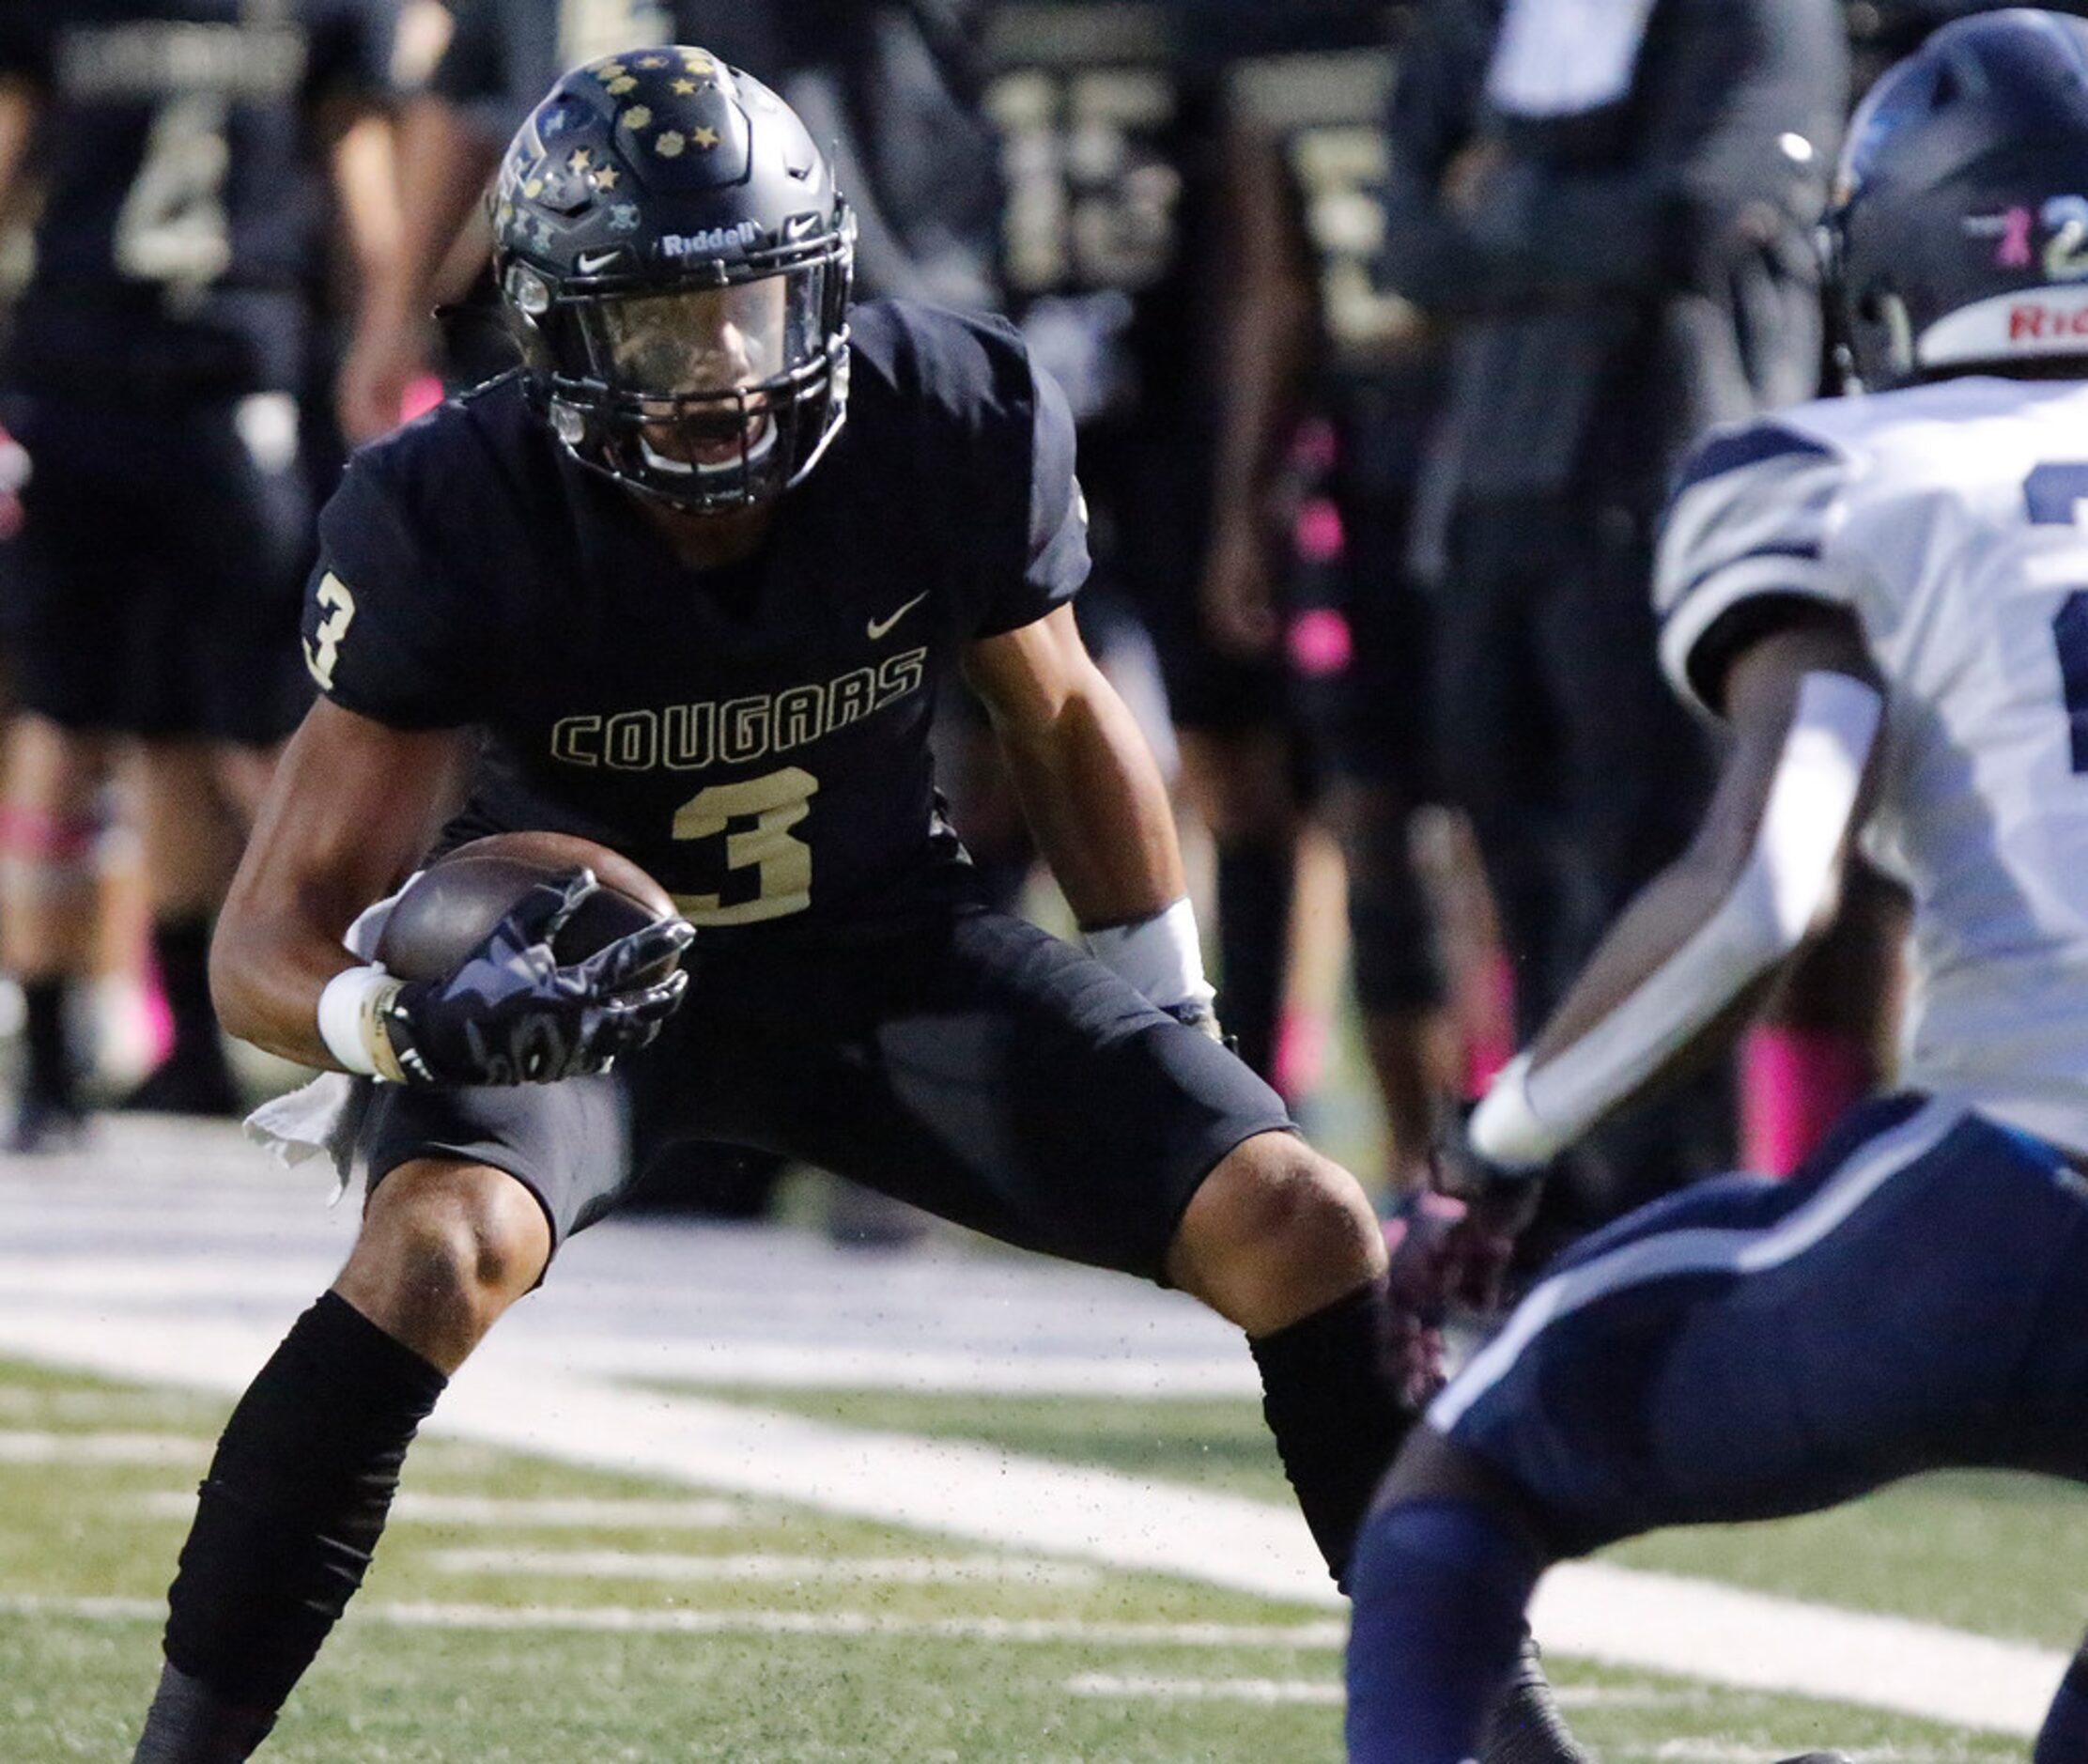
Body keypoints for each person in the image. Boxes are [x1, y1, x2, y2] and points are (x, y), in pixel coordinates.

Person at [126, 54, 1582, 1762]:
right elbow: (263, 942)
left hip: (884, 952)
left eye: (751, 302)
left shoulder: (940, 413)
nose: (721, 367)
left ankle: (1500, 1738)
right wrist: (399, 1016)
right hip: (587, 1004)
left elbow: (1059, 719)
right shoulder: (455, 505)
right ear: (560, 333)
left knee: (1299, 1218)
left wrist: (1165, 1032)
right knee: (435, 1246)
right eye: (666, 323)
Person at [1345, 13, 2088, 1761]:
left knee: (1472, 1461)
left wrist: (1494, 1147)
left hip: (2017, 1195)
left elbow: (1764, 881)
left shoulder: (1841, 474)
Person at [1376, 0, 1848, 1235]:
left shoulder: (1754, 14)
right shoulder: (1477, 20)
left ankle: (1669, 1210)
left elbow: (1704, 216)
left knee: (1653, 849)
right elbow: (1407, 247)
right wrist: (1573, 214)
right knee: (1514, 867)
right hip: (1489, 481)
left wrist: (1502, 202)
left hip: (1661, 478)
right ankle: (1538, 1199)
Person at [0, 0, 401, 1149]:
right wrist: (388, 342)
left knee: (100, 724)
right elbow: (369, 209)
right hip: (227, 371)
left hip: (86, 367)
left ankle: (60, 1058)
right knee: (247, 731)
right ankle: (351, 1040)